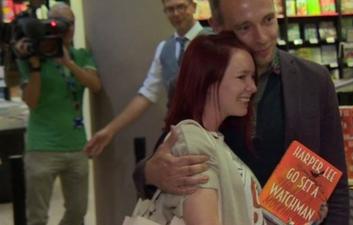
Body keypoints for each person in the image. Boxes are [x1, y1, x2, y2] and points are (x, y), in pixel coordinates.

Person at [134, 0, 349, 224]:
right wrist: (150, 173)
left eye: (268, 20)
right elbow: (167, 152)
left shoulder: (314, 81)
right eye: (244, 27)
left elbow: (336, 185)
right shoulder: (196, 82)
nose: (262, 37)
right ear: (217, 26)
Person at [149, 31, 267, 225]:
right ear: (209, 80)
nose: (252, 87)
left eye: (252, 77)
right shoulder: (193, 141)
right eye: (242, 77)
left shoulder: (212, 139)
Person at [84, 0, 211, 157]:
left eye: (181, 7)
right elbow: (147, 94)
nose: (176, 13)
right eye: (170, 9)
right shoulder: (164, 48)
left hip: (213, 132)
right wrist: (110, 130)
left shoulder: (213, 40)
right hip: (179, 134)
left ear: (193, 6)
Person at [14, 3, 101, 225]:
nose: (65, 29)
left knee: (78, 211)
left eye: (70, 24)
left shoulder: (81, 56)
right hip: (42, 147)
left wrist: (69, 63)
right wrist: (34, 67)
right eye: (58, 24)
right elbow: (32, 101)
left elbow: (95, 85)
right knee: (37, 217)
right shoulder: (32, 55)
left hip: (76, 146)